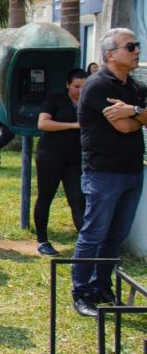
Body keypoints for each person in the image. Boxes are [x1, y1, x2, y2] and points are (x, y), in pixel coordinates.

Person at [71, 29, 147, 317]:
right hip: (102, 173)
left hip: (132, 172)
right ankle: (80, 291)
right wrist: (139, 117)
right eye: (131, 46)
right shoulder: (98, 86)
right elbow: (124, 126)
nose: (137, 50)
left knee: (116, 235)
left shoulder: (136, 88)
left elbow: (135, 119)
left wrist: (134, 110)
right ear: (110, 54)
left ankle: (101, 285)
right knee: (94, 233)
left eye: (137, 45)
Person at [34, 68, 87, 256]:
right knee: (45, 197)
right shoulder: (55, 100)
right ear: (67, 85)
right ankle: (42, 241)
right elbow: (43, 124)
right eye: (76, 86)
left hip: (75, 159)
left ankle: (87, 243)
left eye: (84, 86)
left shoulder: (89, 102)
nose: (80, 91)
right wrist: (73, 125)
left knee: (78, 200)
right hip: (51, 156)